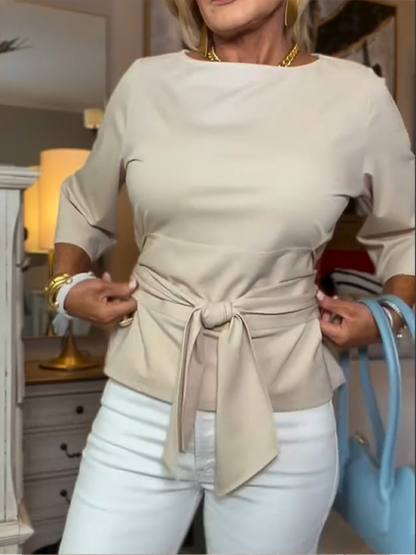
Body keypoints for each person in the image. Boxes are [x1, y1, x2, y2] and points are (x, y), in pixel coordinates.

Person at [50, 0, 415, 553]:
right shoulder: (146, 84)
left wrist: (389, 315)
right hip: (143, 405)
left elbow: (405, 227)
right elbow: (83, 200)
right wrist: (64, 287)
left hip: (286, 417)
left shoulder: (357, 94)